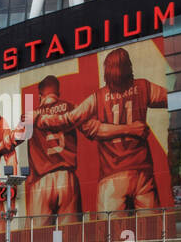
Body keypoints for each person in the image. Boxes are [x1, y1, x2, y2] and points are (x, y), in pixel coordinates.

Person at [36, 46, 167, 211]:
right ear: (129, 67)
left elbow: (68, 119)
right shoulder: (143, 87)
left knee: (110, 233)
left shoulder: (97, 98)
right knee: (151, 228)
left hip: (111, 175)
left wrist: (43, 119)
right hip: (142, 172)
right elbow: (175, 98)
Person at [23, 75, 83, 225]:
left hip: (41, 179)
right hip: (66, 177)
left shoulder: (30, 117)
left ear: (39, 96)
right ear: (58, 93)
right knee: (71, 236)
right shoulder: (71, 107)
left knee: (38, 239)